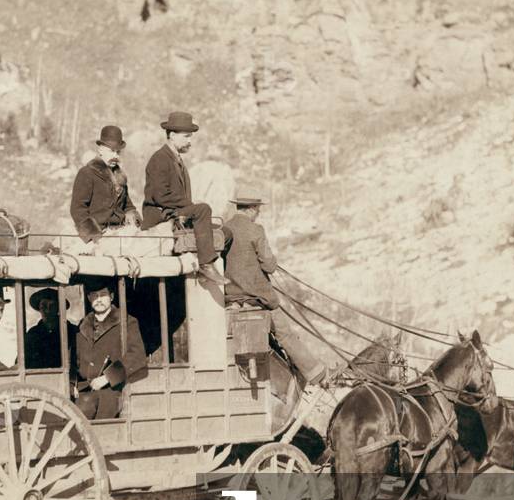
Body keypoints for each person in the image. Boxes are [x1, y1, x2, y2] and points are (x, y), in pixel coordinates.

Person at [222, 189, 328, 387]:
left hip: (232, 297)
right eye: (258, 210)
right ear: (252, 209)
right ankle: (316, 374)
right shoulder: (256, 230)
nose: (258, 214)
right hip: (257, 298)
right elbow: (269, 265)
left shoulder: (225, 229)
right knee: (284, 332)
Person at [141, 111, 226, 286]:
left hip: (173, 210)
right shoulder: (159, 159)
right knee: (203, 209)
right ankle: (206, 264)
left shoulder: (175, 159)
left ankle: (220, 279)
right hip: (160, 214)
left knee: (224, 231)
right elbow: (160, 196)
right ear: (172, 135)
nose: (190, 141)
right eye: (187, 136)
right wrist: (190, 205)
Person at [73, 285, 147, 420]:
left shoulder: (126, 322)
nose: (98, 299)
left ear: (111, 297)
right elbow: (73, 358)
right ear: (89, 298)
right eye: (94, 295)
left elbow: (137, 355)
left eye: (103, 295)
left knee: (84, 410)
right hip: (84, 389)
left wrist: (107, 378)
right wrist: (73, 384)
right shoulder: (82, 325)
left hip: (112, 390)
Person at [70, 125, 140, 242]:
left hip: (120, 232)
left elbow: (127, 205)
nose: (116, 156)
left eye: (118, 152)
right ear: (100, 150)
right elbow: (78, 210)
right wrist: (94, 236)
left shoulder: (120, 176)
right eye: (112, 151)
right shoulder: (87, 173)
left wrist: (133, 216)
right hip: (98, 235)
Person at [24, 289, 64, 369]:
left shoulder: (70, 331)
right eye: (44, 306)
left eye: (52, 306)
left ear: (58, 308)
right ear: (39, 308)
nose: (47, 310)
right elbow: (23, 362)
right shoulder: (32, 334)